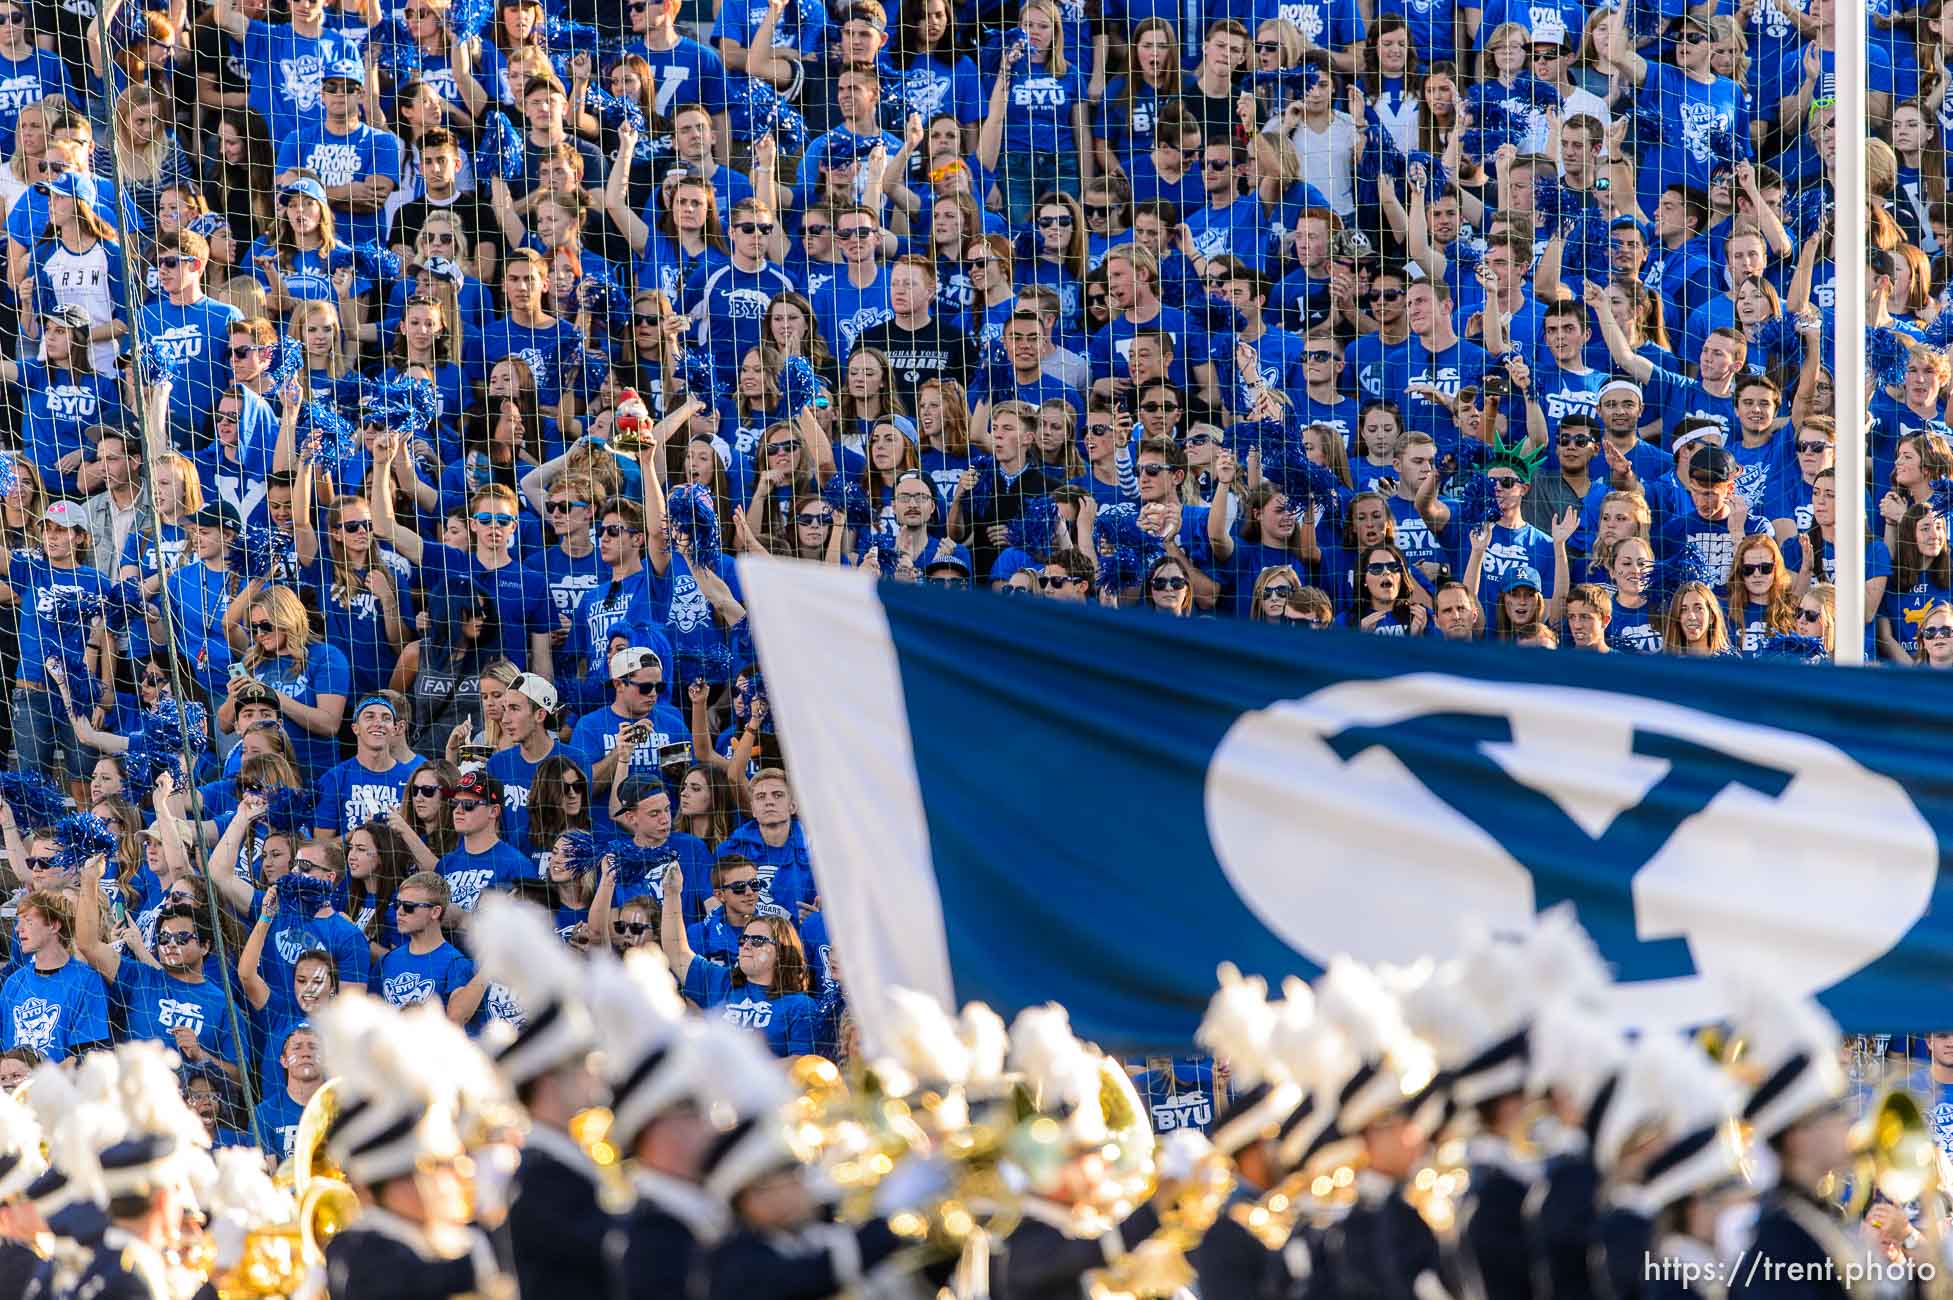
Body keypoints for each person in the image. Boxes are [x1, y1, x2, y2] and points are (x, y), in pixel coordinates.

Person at [660, 862, 817, 1057]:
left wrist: (738, 1071)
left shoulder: (801, 1006)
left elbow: (800, 1064)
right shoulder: (720, 981)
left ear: (782, 951)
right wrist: (672, 893)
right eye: (744, 939)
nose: (746, 945)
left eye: (758, 940)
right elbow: (676, 951)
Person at [0, 891, 109, 1061]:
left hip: (62, 1084)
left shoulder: (86, 980)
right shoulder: (14, 982)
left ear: (53, 925)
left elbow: (88, 1054)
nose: (18, 929)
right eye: (18, 921)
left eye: (28, 921)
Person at [433, 769, 533, 913]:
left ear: (493, 811)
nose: (458, 810)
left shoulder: (518, 866)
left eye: (468, 804)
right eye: (454, 803)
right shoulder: (445, 863)